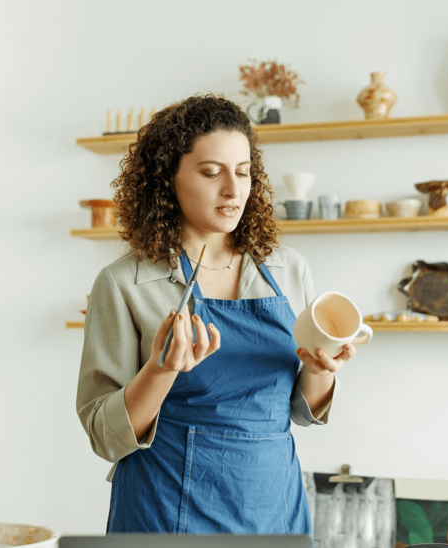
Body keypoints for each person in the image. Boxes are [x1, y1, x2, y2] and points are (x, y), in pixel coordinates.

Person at [76, 94, 362, 535]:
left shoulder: (287, 269)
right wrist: (160, 370)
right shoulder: (124, 283)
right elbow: (105, 435)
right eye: (212, 173)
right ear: (166, 178)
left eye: (244, 172)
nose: (234, 190)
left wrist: (320, 369)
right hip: (163, 510)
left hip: (271, 508)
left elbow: (303, 411)